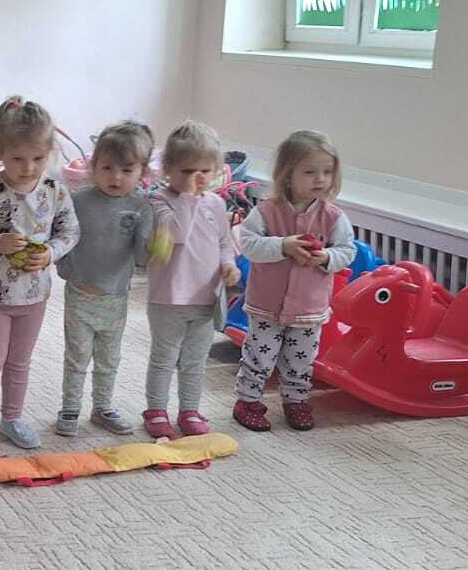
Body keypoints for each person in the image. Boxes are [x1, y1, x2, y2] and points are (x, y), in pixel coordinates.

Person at [0, 96, 79, 451]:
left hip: (34, 295)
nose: (28, 168)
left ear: (50, 153)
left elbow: (70, 232)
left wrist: (50, 253)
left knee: (20, 362)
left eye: (38, 158)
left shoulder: (55, 192)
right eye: (17, 159)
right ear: (0, 152)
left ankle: (12, 418)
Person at [233, 130, 355, 432]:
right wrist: (282, 245)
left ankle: (296, 401)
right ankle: (248, 401)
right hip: (266, 305)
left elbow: (347, 251)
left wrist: (326, 257)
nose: (320, 179)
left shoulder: (333, 217)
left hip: (308, 308)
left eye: (327, 172)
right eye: (310, 172)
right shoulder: (266, 211)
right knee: (259, 356)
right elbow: (247, 244)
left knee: (301, 360)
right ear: (288, 175)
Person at [53, 122, 155, 437]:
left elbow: (142, 257)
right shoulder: (77, 201)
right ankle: (70, 408)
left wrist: (156, 244)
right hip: (80, 295)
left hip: (116, 298)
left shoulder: (142, 207)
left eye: (127, 169)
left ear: (142, 172)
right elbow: (61, 238)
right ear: (93, 166)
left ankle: (103, 407)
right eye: (107, 168)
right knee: (77, 357)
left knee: (109, 359)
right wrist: (64, 267)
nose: (116, 177)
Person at [144, 121, 241, 439]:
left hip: (205, 298)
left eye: (204, 171)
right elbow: (177, 234)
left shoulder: (216, 203)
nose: (196, 178)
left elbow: (224, 242)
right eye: (186, 171)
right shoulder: (159, 201)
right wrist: (187, 197)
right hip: (168, 298)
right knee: (165, 357)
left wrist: (229, 265)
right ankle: (156, 409)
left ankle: (189, 409)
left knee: (195, 361)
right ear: (167, 169)